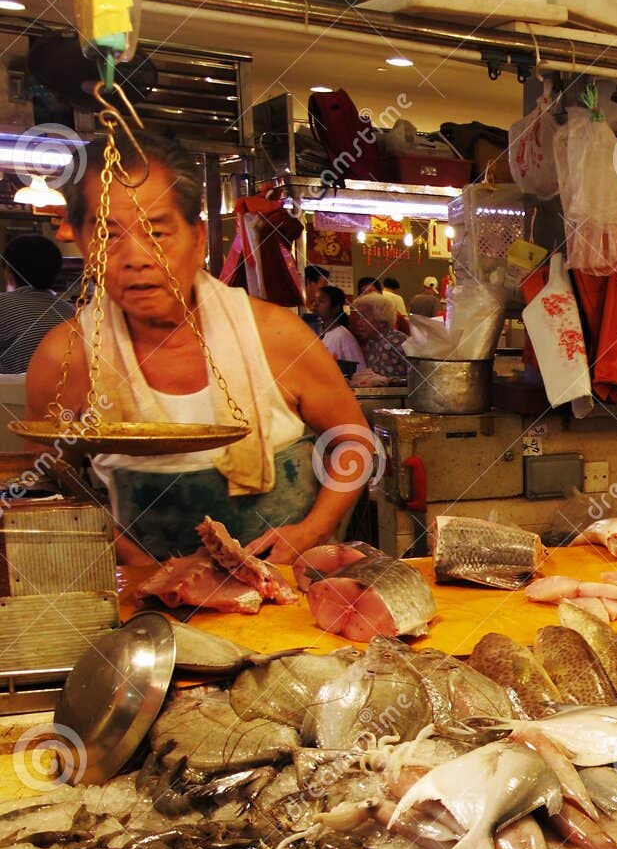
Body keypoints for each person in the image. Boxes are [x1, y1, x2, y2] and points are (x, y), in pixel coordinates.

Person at [27, 133, 373, 564]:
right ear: (81, 244)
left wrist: (310, 531)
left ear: (197, 236)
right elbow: (50, 482)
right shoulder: (66, 356)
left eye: (156, 231)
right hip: (147, 602)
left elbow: (355, 442)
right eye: (108, 235)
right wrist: (129, 558)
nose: (136, 258)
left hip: (287, 588)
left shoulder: (277, 335)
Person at [0, 235, 76, 373]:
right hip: (64, 391)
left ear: (8, 272)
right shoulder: (71, 312)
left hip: (16, 393)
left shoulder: (2, 304)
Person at [349, 292, 410, 382]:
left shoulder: (398, 341)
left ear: (381, 321)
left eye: (364, 318)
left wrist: (389, 381)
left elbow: (417, 377)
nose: (359, 323)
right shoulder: (371, 342)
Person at [312, 285, 364, 374]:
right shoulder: (316, 332)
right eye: (315, 300)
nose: (315, 305)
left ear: (335, 308)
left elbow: (359, 371)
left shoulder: (343, 336)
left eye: (321, 301)